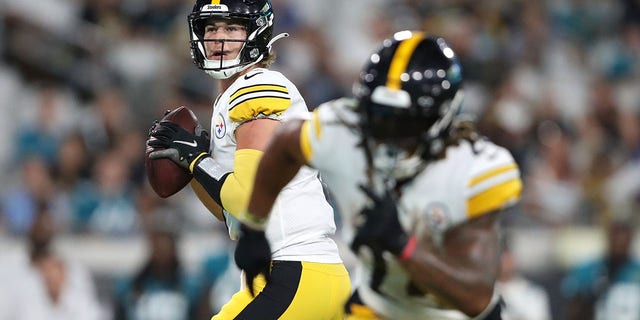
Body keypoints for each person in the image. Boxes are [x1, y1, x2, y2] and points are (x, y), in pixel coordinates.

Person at [240, 31, 523, 319]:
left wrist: (402, 244)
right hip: (378, 307)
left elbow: (475, 297)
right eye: (379, 117)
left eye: (404, 123)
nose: (389, 134)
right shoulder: (342, 131)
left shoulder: (473, 170)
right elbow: (285, 143)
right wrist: (253, 227)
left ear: (443, 117)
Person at [145, 0, 350, 319]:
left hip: (297, 272)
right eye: (211, 28)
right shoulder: (232, 97)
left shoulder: (259, 86)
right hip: (288, 276)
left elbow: (246, 198)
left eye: (231, 27)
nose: (218, 38)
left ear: (256, 32)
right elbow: (234, 216)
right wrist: (193, 169)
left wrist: (198, 161)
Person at [562, 219, 640, 320]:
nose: (619, 243)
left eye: (623, 239)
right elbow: (573, 303)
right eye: (615, 237)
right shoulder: (589, 271)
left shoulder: (637, 270)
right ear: (608, 238)